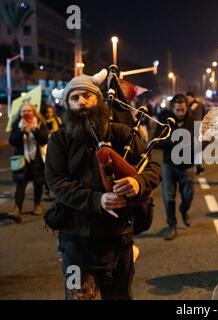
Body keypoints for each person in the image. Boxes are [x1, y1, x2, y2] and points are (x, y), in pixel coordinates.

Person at [45, 71, 162, 300]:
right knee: (77, 297)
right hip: (75, 241)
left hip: (118, 239)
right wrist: (96, 200)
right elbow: (56, 183)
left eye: (87, 96)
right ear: (68, 104)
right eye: (75, 97)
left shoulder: (122, 133)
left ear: (98, 99)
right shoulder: (58, 140)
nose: (82, 102)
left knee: (119, 297)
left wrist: (138, 182)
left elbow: (153, 167)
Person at [155, 93, 195, 240]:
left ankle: (184, 210)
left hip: (187, 166)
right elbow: (156, 142)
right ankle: (172, 226)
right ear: (172, 108)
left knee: (188, 197)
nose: (180, 113)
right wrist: (172, 141)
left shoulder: (192, 121)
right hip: (169, 166)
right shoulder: (165, 120)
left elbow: (200, 144)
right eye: (177, 110)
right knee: (168, 197)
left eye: (183, 109)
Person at [8, 103, 49, 223]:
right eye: (23, 111)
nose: (26, 113)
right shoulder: (17, 124)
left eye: (29, 110)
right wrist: (22, 131)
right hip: (22, 159)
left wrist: (34, 130)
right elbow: (12, 141)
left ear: (34, 112)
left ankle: (37, 205)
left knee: (38, 184)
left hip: (37, 159)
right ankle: (17, 210)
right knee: (20, 185)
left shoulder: (40, 123)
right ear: (20, 113)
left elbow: (44, 140)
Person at [186, 92, 206, 175]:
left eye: (188, 98)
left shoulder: (198, 105)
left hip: (197, 127)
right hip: (190, 128)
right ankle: (193, 165)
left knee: (197, 147)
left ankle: (198, 166)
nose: (188, 100)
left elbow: (204, 115)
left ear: (192, 97)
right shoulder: (187, 106)